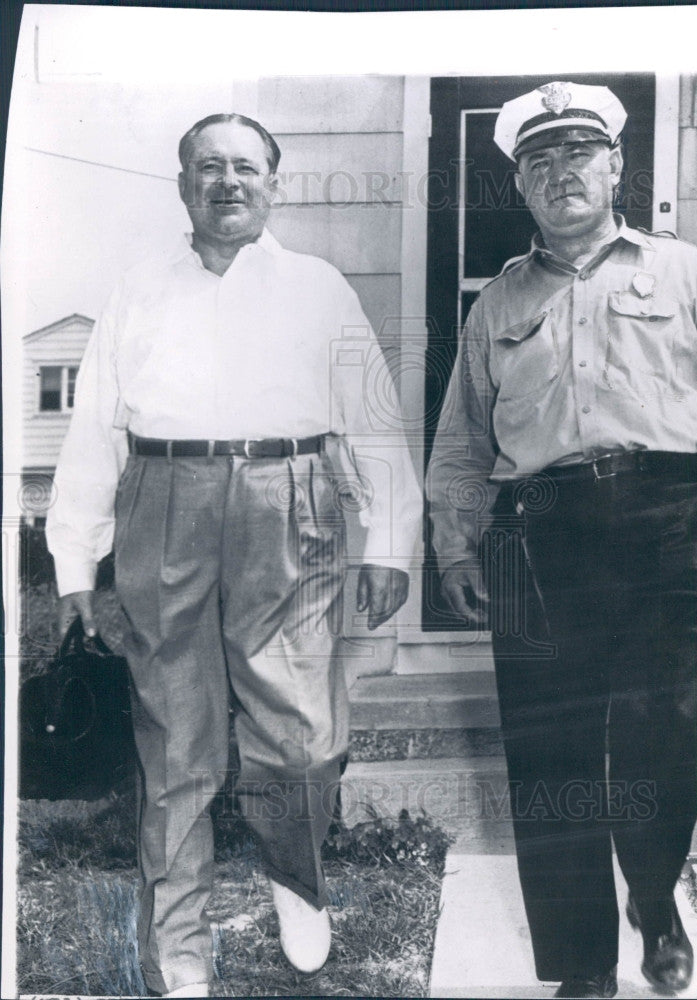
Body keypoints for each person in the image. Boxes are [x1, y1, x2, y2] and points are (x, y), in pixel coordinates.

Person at [46, 112, 420, 998]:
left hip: (288, 505)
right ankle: (182, 943)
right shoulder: (140, 288)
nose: (227, 182)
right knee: (176, 739)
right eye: (206, 167)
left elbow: (371, 418)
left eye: (245, 168)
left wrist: (393, 543)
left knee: (301, 732)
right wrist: (74, 567)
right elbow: (94, 430)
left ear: (274, 184)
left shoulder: (318, 287)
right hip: (162, 501)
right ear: (182, 186)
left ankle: (295, 876)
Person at [426, 82, 697, 999]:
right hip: (534, 537)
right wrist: (458, 548)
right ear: (521, 185)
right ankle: (581, 965)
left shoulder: (684, 273)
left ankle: (655, 893)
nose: (560, 173)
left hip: (668, 522)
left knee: (670, 722)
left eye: (577, 154)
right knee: (549, 750)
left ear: (615, 166)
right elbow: (462, 443)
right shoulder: (497, 303)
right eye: (538, 162)